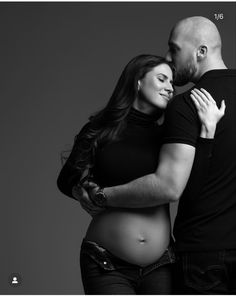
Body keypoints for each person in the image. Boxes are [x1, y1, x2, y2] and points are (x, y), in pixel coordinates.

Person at [80, 16, 236, 294]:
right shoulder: (105, 130)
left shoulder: (187, 104)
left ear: (200, 52)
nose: (168, 57)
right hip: (118, 261)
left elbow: (172, 186)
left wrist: (102, 195)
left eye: (174, 49)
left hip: (203, 252)